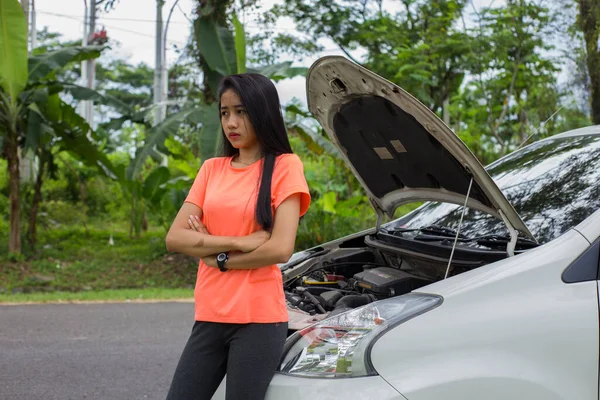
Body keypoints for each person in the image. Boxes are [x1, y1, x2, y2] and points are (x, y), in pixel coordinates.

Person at [164, 73, 311, 400]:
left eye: (241, 111)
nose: (231, 122)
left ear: (263, 112)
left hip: (258, 321)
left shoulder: (286, 167)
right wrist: (239, 242)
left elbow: (280, 248)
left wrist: (216, 258)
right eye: (225, 112)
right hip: (210, 314)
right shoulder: (211, 169)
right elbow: (175, 237)